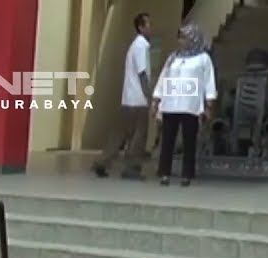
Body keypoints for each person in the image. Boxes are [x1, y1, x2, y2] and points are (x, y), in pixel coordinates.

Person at [153, 23, 217, 187]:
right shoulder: (173, 57)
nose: (181, 41)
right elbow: (163, 77)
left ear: (193, 38)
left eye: (184, 37)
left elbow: (209, 81)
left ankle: (187, 174)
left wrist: (209, 103)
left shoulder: (203, 58)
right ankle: (164, 173)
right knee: (167, 140)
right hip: (171, 104)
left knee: (189, 141)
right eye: (180, 38)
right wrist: (157, 99)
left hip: (190, 105)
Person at [93, 13, 152, 179]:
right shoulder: (141, 46)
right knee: (138, 136)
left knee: (119, 134)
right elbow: (142, 73)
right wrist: (149, 95)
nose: (150, 28)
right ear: (141, 27)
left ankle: (102, 162)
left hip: (128, 99)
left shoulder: (133, 46)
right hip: (138, 100)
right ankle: (132, 169)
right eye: (148, 25)